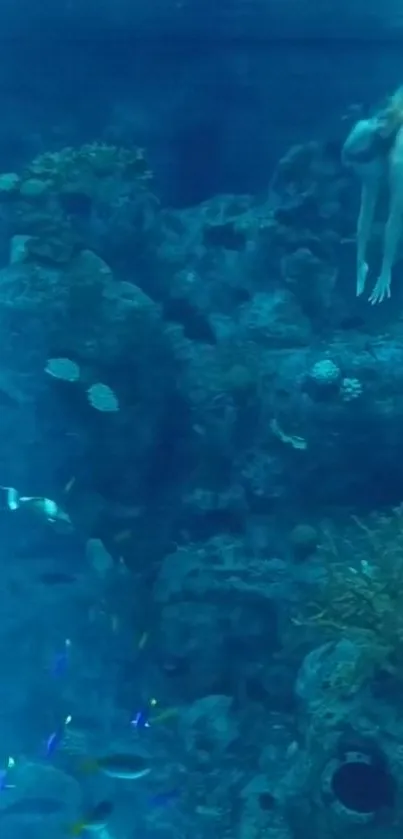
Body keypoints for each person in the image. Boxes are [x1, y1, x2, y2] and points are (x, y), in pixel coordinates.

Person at [342, 87, 403, 303]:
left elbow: (396, 217)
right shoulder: (366, 129)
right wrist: (360, 260)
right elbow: (365, 210)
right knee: (369, 198)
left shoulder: (398, 159)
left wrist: (385, 270)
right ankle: (363, 263)